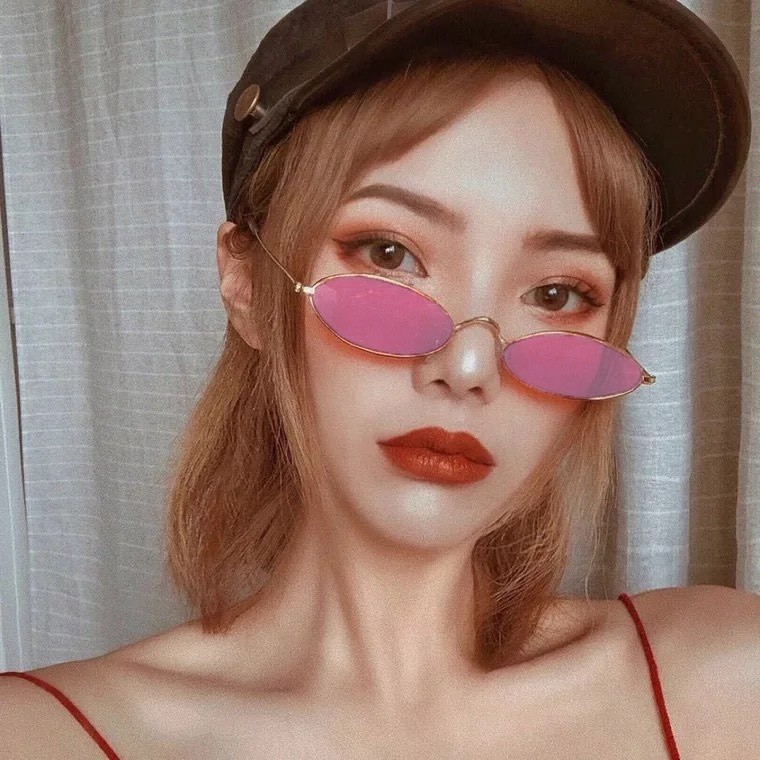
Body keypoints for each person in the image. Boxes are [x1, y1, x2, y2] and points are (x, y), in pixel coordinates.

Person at [1, 1, 758, 757]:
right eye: (390, 254)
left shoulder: (724, 682)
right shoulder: (38, 735)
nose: (469, 368)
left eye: (558, 294)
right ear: (247, 283)